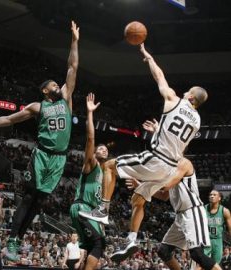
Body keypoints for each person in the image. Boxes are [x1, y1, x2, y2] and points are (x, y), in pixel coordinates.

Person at [0, 20, 79, 261]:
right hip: (43, 155)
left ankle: (19, 238)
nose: (59, 85)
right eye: (54, 85)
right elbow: (8, 119)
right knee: (29, 196)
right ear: (45, 91)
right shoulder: (38, 106)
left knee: (40, 202)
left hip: (59, 159)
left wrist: (75, 42)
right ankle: (13, 238)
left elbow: (73, 66)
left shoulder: (66, 99)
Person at [79, 43, 208, 260]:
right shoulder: (197, 121)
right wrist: (159, 130)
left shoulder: (175, 100)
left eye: (188, 92)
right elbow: (178, 144)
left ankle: (102, 210)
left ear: (192, 98)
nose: (185, 92)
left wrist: (148, 57)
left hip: (157, 159)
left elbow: (159, 76)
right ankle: (131, 240)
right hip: (169, 166)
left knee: (109, 166)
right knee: (138, 199)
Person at [126, 157, 221, 270]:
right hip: (180, 216)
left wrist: (144, 183)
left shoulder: (183, 163)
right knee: (163, 251)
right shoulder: (168, 169)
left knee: (197, 254)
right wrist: (140, 186)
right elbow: (164, 195)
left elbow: (166, 185)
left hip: (192, 211)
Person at [70, 93, 108, 270]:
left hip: (89, 212)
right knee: (99, 243)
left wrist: (101, 223)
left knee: (91, 246)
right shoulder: (90, 164)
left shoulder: (104, 173)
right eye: (100, 148)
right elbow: (91, 138)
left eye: (106, 149)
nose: (103, 150)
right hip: (82, 208)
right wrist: (90, 113)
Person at [204, 190, 231, 264]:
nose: (212, 196)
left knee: (216, 264)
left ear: (219, 198)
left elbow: (230, 229)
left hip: (217, 240)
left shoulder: (225, 211)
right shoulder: (203, 209)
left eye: (214, 195)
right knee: (203, 264)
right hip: (205, 240)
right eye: (210, 195)